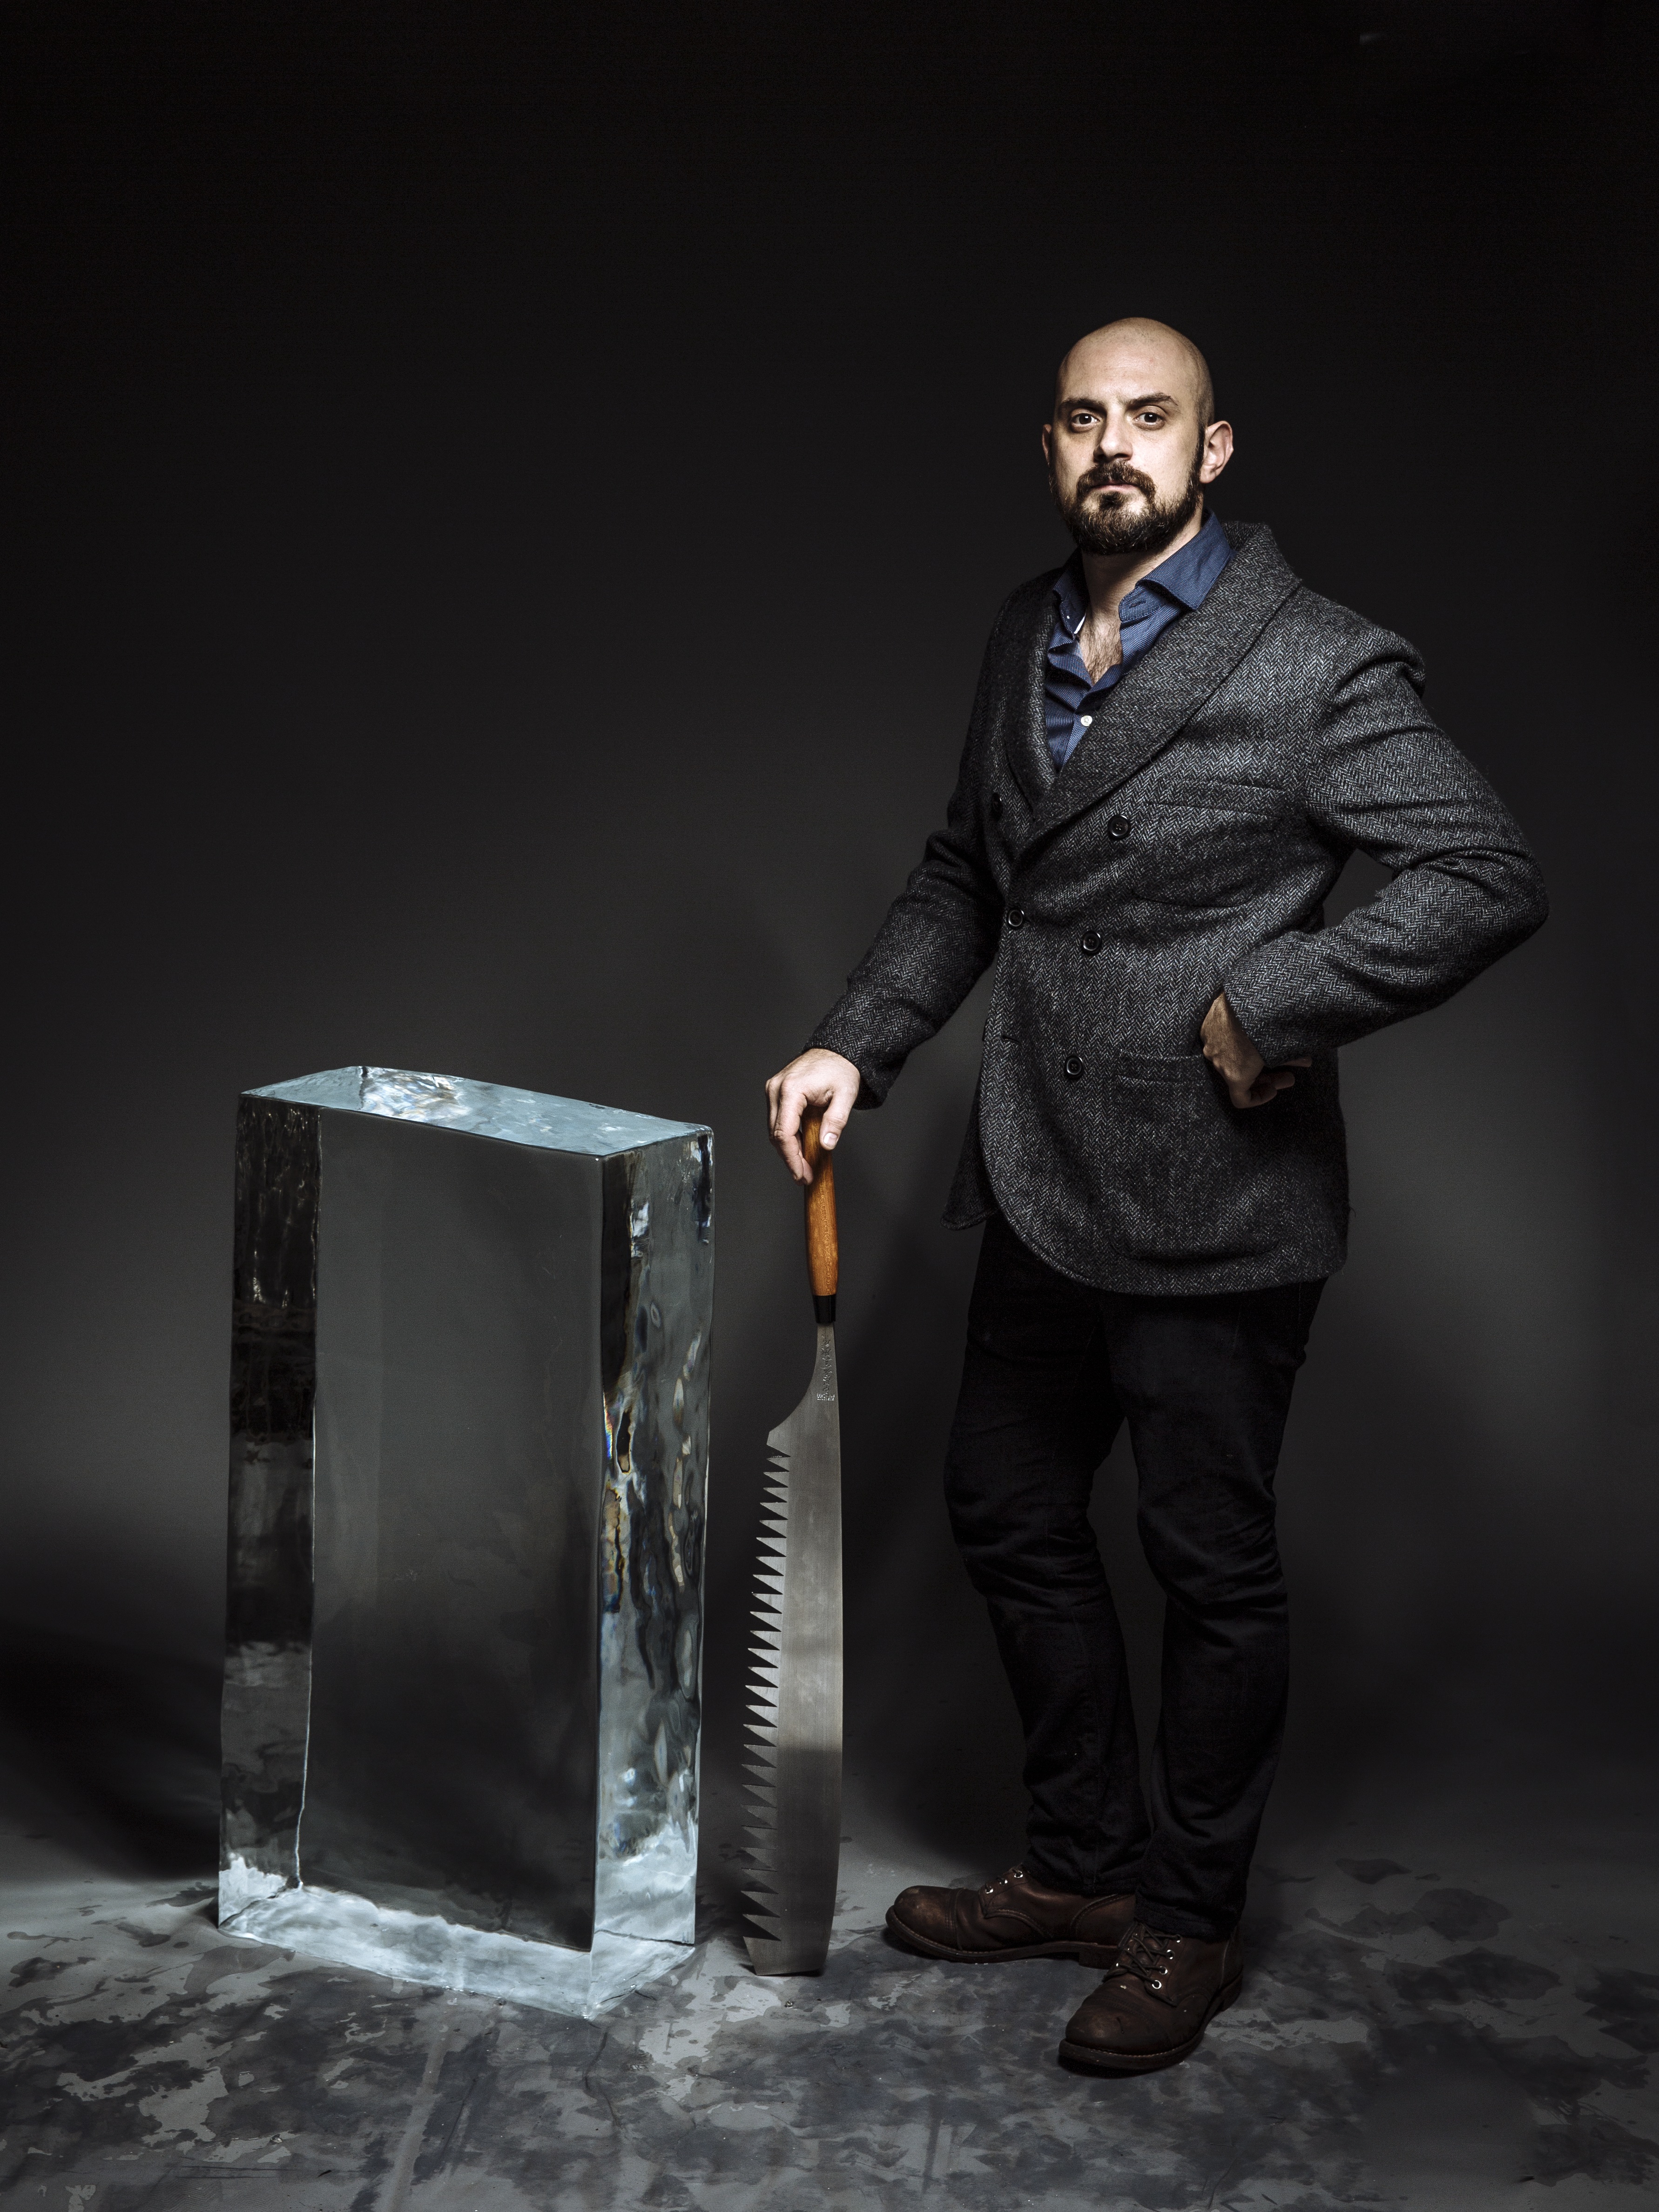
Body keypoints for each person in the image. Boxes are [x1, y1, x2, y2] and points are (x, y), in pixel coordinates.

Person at [763, 317, 1547, 2074]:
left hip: (1215, 1197)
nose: (1112, 445)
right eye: (1080, 418)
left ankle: (1186, 1918)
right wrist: (854, 1042)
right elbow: (968, 873)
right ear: (1049, 445)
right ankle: (1082, 1866)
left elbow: (1484, 872)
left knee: (1207, 1565)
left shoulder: (1316, 660)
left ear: (1213, 448)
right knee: (1005, 1511)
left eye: (1149, 416)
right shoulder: (1024, 632)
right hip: (1036, 1170)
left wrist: (1277, 1004)